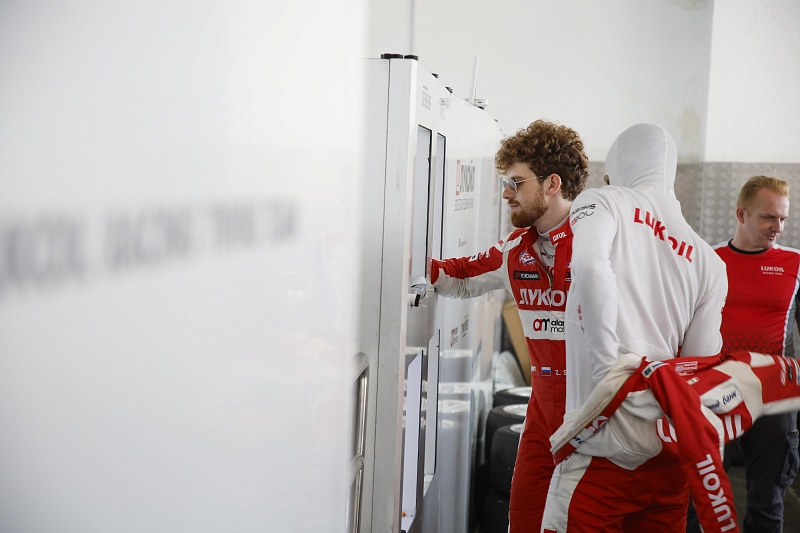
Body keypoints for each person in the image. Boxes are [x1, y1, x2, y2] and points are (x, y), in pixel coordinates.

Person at [541, 123, 728, 532]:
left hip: (602, 446)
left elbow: (590, 268)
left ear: (615, 173)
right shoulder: (709, 260)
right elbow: (699, 366)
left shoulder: (603, 200)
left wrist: (606, 376)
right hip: (669, 456)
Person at [429, 119, 589, 533]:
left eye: (516, 183)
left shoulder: (598, 240)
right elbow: (460, 276)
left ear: (551, 184)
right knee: (522, 519)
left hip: (595, 406)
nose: (506, 193)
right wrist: (402, 265)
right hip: (542, 408)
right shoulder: (514, 248)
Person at [692, 176, 800, 532]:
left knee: (768, 501)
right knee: (698, 498)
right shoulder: (709, 260)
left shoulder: (795, 264)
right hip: (715, 392)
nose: (777, 227)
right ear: (741, 214)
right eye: (768, 217)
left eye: (783, 218)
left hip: (773, 396)